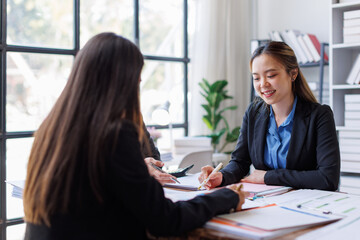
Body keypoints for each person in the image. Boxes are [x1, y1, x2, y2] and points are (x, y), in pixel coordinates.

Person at [23, 32, 247, 240]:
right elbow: (165, 220)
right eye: (136, 79)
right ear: (122, 82)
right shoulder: (114, 133)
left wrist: (139, 166)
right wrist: (227, 197)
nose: (138, 86)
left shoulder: (52, 128)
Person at [199, 41, 340, 191]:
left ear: (293, 74)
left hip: (307, 205)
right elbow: (240, 161)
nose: (263, 84)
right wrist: (222, 176)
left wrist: (268, 177)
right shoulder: (253, 112)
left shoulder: (319, 116)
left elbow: (328, 178)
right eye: (256, 78)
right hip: (266, 201)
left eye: (271, 75)